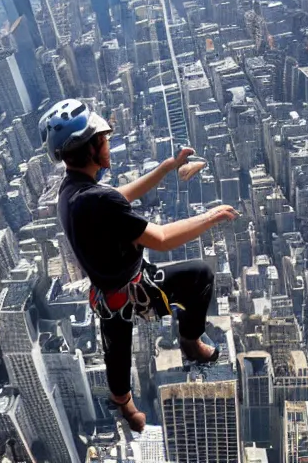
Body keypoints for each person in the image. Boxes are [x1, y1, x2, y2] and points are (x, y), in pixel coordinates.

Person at [42, 99, 235, 436]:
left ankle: (126, 408)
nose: (108, 143)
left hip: (104, 292)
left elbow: (119, 196)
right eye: (102, 139)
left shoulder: (72, 190)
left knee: (116, 353)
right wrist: (210, 217)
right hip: (135, 285)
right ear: (89, 148)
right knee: (201, 275)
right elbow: (159, 238)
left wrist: (166, 168)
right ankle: (190, 341)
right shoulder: (97, 199)